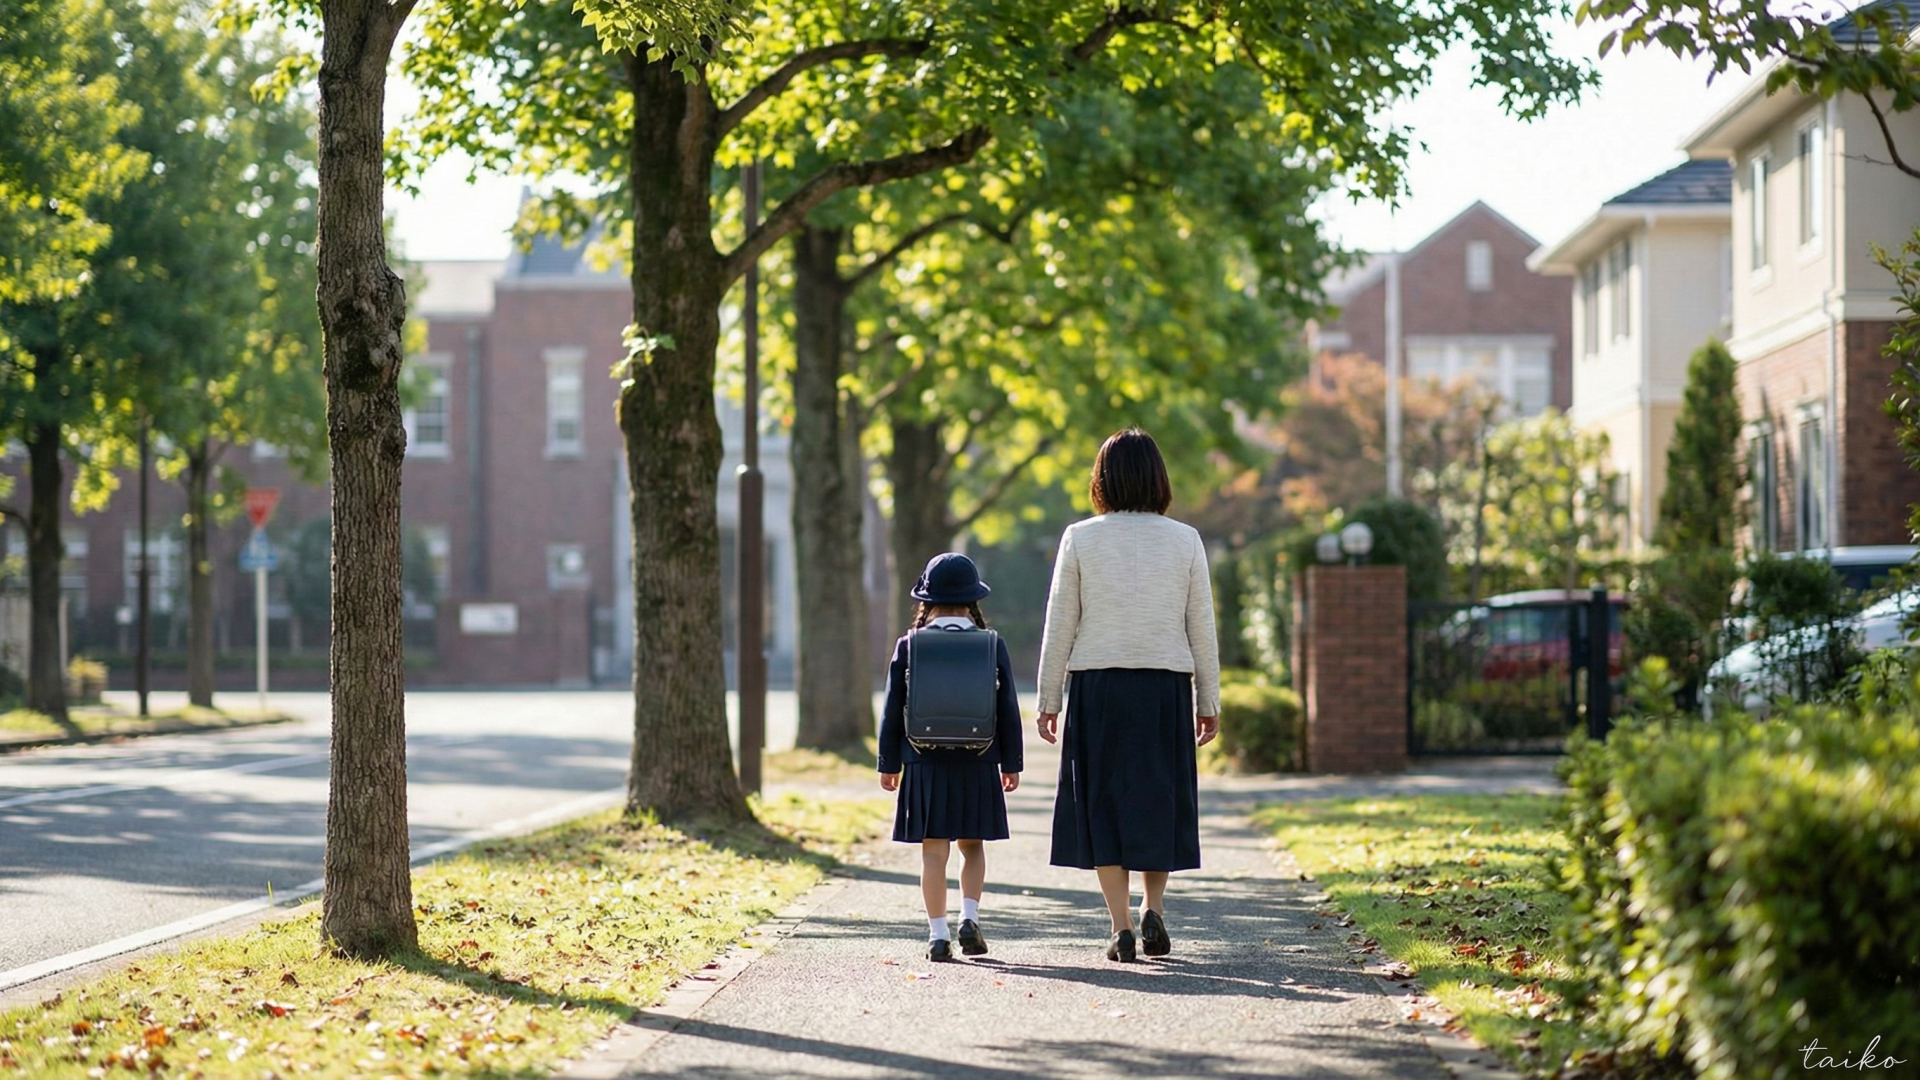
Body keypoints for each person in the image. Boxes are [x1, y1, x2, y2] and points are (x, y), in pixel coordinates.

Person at [1035, 427, 1221, 963]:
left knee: (1102, 804)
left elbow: (1060, 624)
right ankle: (1153, 906)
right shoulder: (1185, 539)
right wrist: (1208, 700)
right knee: (1158, 800)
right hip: (1164, 687)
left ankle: (1119, 925)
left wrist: (1049, 698)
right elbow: (1201, 626)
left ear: (1101, 480)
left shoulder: (1080, 537)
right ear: (1159, 479)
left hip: (1099, 686)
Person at [878, 552, 1024, 963]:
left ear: (927, 602)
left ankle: (938, 934)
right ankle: (969, 916)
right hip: (979, 758)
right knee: (972, 846)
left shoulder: (910, 645)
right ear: (973, 601)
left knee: (933, 850)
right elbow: (1008, 707)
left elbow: (893, 708)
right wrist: (1011, 762)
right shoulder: (992, 644)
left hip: (924, 759)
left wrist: (888, 763)